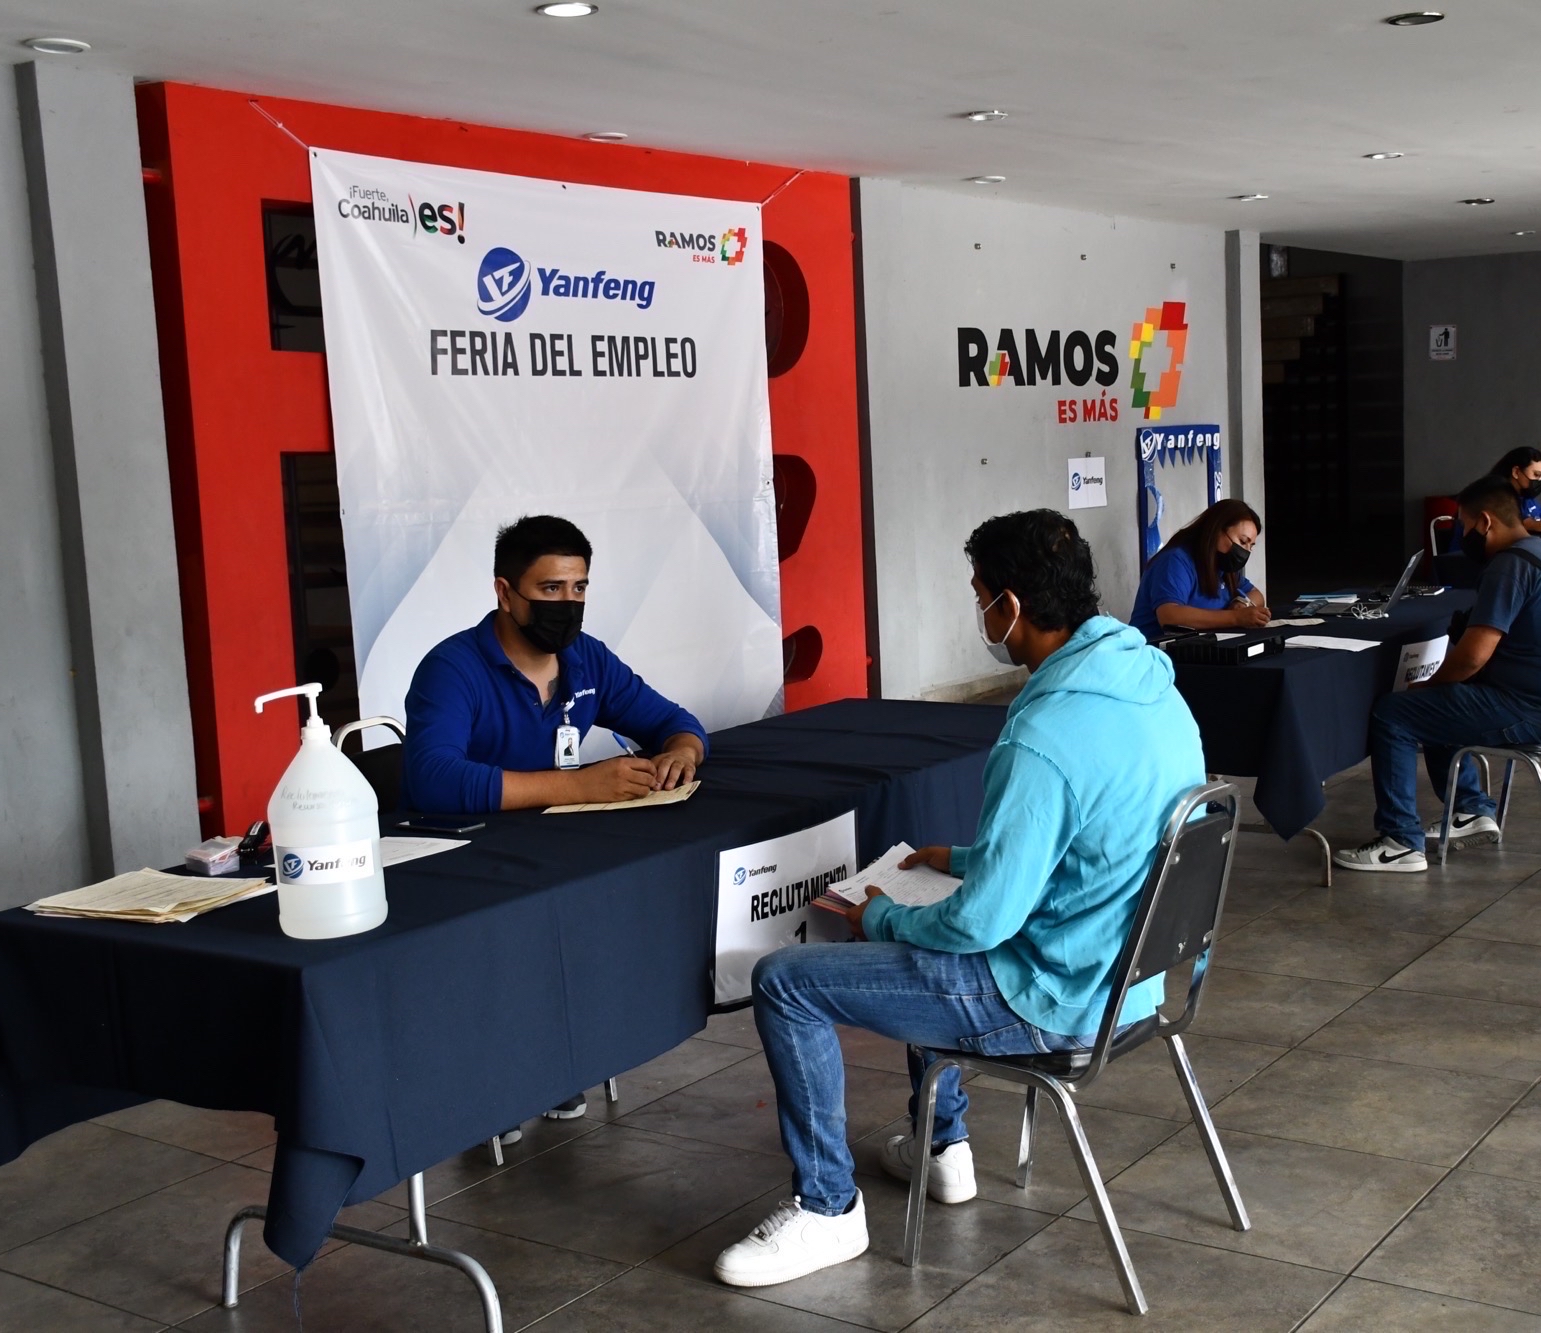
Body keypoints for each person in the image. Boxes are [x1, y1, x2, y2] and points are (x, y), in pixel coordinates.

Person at [712, 510, 1205, 1288]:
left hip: (1052, 998)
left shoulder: (1043, 732)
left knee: (788, 980)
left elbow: (981, 923)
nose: (980, 614)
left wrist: (881, 914)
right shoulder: (1151, 688)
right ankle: (941, 1149)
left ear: (1010, 605)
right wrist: (969, 860)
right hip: (1132, 979)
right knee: (932, 916)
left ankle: (828, 1208)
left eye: (980, 596)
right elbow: (1101, 840)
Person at [402, 514, 708, 1124]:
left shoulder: (586, 660)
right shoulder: (452, 667)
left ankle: (561, 1056)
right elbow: (431, 777)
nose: (567, 605)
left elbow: (676, 722)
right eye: (549, 589)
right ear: (505, 592)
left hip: (555, 852)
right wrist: (577, 786)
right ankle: (509, 1076)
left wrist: (682, 752)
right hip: (465, 862)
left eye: (579, 588)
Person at [1336, 476, 1541, 873]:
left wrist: (1429, 683)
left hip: (1537, 712)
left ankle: (1400, 842)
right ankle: (1470, 809)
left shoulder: (1509, 566)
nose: (1463, 534)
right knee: (1440, 704)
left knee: (1395, 712)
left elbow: (1473, 657)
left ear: (1485, 522)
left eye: (1464, 525)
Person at [1128, 498, 1269, 641]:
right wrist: (1236, 617)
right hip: (1156, 650)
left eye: (1251, 546)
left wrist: (1241, 603)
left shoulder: (1222, 567)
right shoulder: (1175, 561)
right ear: (1216, 531)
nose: (1245, 551)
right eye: (1243, 542)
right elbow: (1169, 616)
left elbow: (1256, 594)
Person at [1454, 447, 1541, 545]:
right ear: (1516, 472)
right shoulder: (1497, 497)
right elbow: (1527, 525)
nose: (1539, 481)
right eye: (1536, 475)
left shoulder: (1527, 498)